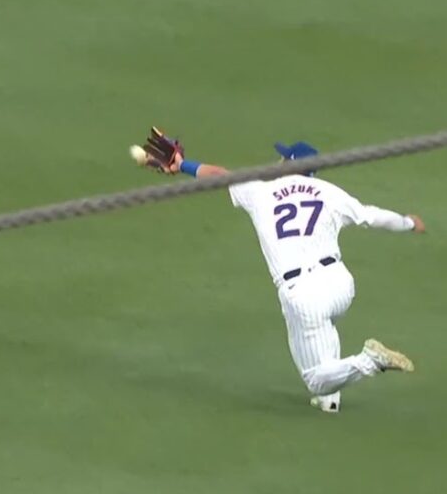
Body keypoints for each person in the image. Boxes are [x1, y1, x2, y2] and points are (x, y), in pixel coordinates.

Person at [141, 130, 425, 413]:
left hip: (303, 293)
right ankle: (331, 404)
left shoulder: (260, 190)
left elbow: (219, 175)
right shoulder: (330, 192)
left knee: (315, 378)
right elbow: (373, 216)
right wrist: (408, 223)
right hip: (340, 284)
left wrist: (181, 165)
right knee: (325, 327)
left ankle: (369, 361)